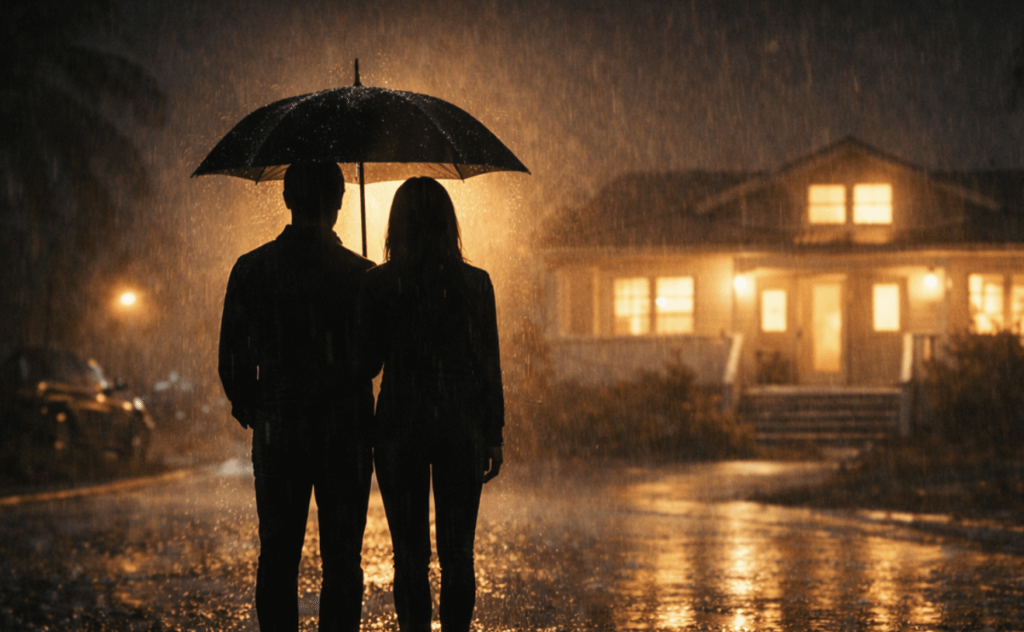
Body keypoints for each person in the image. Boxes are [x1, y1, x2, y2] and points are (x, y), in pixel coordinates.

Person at [218, 162, 375, 632]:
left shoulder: (252, 268)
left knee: (278, 554)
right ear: (340, 203)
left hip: (279, 425)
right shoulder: (361, 275)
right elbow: (372, 362)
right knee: (342, 559)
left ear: (286, 199)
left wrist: (255, 407)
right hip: (345, 429)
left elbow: (232, 360)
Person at [360, 177, 504, 632]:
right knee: (458, 552)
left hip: (399, 423)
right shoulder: (475, 284)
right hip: (460, 422)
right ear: (448, 223)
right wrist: (493, 433)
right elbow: (488, 363)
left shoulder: (381, 283)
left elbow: (368, 363)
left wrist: (370, 300)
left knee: (409, 555)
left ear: (397, 224)